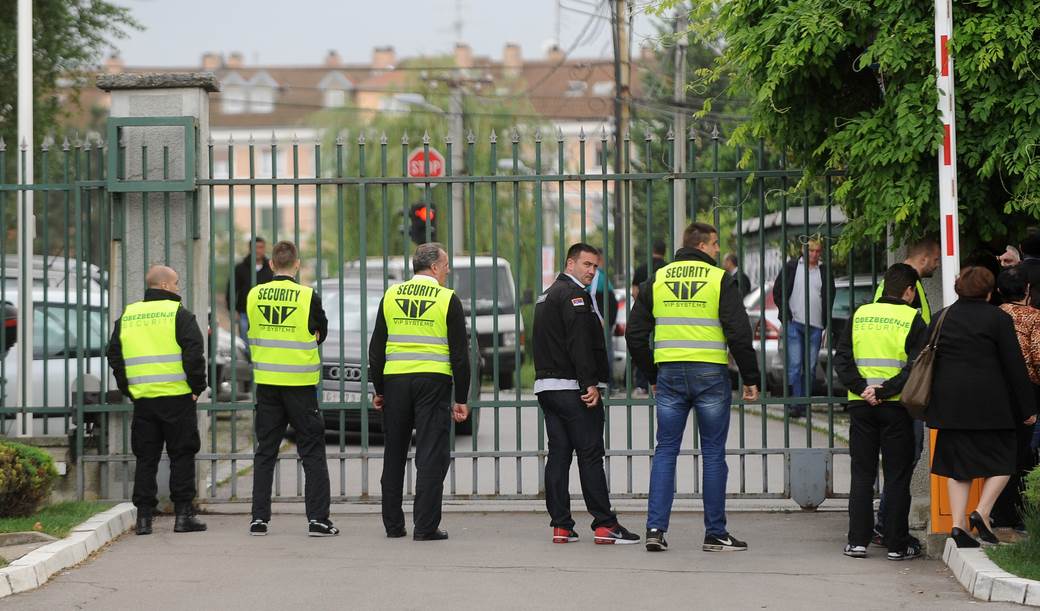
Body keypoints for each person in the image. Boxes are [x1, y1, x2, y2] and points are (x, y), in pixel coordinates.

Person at [627, 222, 760, 552]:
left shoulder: (658, 280)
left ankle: (655, 530)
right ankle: (715, 533)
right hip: (709, 375)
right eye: (715, 244)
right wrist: (751, 378)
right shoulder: (718, 280)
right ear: (701, 245)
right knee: (713, 453)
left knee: (666, 450)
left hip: (670, 375)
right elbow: (739, 333)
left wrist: (652, 374)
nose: (718, 250)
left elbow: (634, 335)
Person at [533, 243, 640, 545]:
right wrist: (588, 383)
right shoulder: (575, 296)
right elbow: (578, 344)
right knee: (590, 455)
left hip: (548, 388)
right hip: (573, 389)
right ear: (570, 263)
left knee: (558, 455)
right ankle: (605, 525)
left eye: (595, 266)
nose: (592, 271)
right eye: (586, 264)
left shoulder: (547, 295)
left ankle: (561, 525)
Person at [926, 266, 1038, 548]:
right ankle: (982, 511)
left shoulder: (942, 317)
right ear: (990, 292)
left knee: (958, 467)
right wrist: (1028, 408)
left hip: (949, 404)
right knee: (1006, 457)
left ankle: (958, 525)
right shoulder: (997, 319)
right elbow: (1015, 367)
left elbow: (917, 352)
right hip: (991, 404)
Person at [368, 243, 471, 541]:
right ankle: (425, 526)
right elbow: (460, 355)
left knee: (395, 452)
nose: (448, 270)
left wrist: (380, 389)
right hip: (433, 382)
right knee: (430, 454)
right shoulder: (447, 298)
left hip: (396, 382)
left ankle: (393, 525)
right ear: (435, 267)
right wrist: (461, 398)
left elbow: (376, 349)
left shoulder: (391, 295)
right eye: (447, 264)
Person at [833, 264, 927, 560]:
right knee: (897, 476)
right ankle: (897, 544)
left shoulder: (859, 315)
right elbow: (917, 366)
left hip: (861, 405)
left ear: (885, 287)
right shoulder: (913, 319)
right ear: (909, 290)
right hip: (896, 407)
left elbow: (842, 359)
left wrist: (863, 388)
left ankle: (857, 542)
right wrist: (885, 390)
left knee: (862, 473)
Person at [106, 265, 207, 535]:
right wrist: (197, 387)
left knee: (146, 457)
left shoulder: (129, 315)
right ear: (164, 286)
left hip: (144, 401)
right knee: (182, 455)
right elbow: (194, 353)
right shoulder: (180, 315)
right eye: (175, 283)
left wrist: (128, 387)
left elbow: (114, 353)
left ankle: (143, 519)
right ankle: (184, 516)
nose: (177, 288)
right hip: (177, 398)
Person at [246, 240, 336, 537]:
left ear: (271, 264)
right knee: (311, 450)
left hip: (268, 383)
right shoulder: (308, 295)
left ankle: (258, 519)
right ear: (296, 265)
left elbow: (253, 330)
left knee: (265, 451)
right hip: (300, 384)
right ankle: (318, 520)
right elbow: (320, 331)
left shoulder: (254, 294)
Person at [871, 238, 940, 542]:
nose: (937, 265)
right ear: (924, 258)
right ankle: (887, 524)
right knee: (904, 459)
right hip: (897, 390)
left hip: (896, 389)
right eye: (936, 259)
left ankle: (886, 522)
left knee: (905, 459)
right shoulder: (899, 289)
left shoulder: (909, 286)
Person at [991, 266, 1040, 531]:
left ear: (999, 291)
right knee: (1023, 454)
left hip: (995, 392)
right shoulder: (1035, 318)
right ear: (1028, 290)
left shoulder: (993, 316)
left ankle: (996, 512)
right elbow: (1039, 358)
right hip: (1027, 393)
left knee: (998, 451)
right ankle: (1016, 515)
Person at [772, 239, 835, 417]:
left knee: (810, 366)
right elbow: (778, 291)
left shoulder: (823, 270)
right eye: (811, 251)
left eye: (818, 251)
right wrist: (786, 314)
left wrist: (824, 318)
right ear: (803, 250)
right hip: (794, 323)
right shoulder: (792, 267)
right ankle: (796, 403)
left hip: (815, 325)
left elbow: (830, 294)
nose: (814, 255)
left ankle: (804, 402)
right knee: (795, 365)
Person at [227, 236, 273, 341]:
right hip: (244, 312)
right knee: (245, 343)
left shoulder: (271, 268)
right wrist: (232, 309)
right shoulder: (240, 268)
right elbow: (231, 289)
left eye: (261, 247)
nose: (258, 250)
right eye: (255, 247)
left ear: (264, 249)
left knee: (264, 342)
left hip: (266, 313)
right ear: (250, 249)